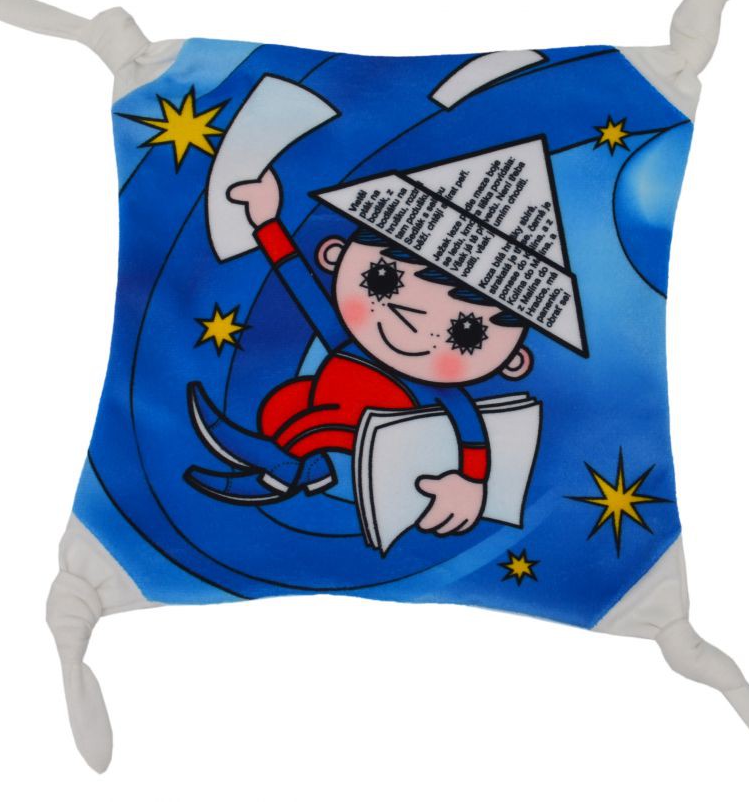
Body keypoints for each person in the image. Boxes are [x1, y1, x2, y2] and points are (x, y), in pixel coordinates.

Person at [185, 170, 535, 536]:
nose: (410, 316)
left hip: (364, 447)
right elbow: (300, 282)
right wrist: (267, 222)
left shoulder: (437, 389)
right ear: (334, 256)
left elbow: (472, 432)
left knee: (319, 427)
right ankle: (275, 462)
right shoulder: (346, 341)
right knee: (289, 404)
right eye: (383, 280)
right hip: (319, 421)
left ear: (513, 361)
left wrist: (472, 483)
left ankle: (283, 472)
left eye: (466, 332)